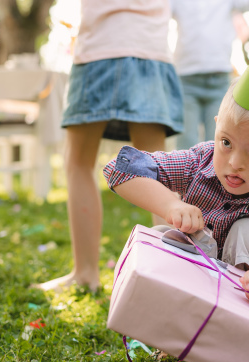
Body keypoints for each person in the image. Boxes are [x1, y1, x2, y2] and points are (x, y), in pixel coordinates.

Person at [103, 18, 249, 312]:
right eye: (226, 142)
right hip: (198, 290)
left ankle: (246, 328)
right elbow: (120, 169)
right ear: (216, 129)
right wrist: (170, 206)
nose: (234, 163)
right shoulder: (199, 160)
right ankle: (177, 324)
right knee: (165, 236)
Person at [34, 0, 183, 291]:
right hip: (150, 49)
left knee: (78, 162)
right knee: (158, 168)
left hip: (101, 47)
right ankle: (174, 279)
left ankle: (86, 273)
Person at [171, 0, 249, 150]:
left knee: (219, 142)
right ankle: (185, 175)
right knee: (186, 142)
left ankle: (214, 174)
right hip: (185, 78)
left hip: (219, 78)